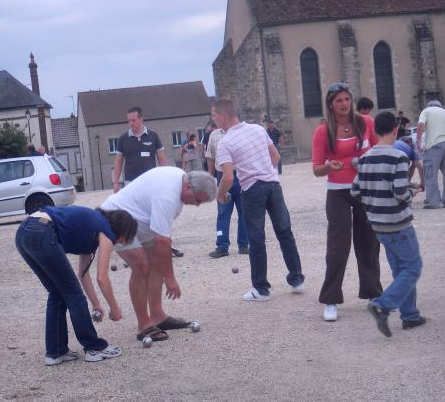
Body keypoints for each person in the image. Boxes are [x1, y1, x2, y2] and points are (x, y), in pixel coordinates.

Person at [101, 167, 216, 341]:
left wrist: (165, 270)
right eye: (197, 200)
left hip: (140, 224)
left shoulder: (180, 182)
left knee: (156, 265)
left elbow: (160, 243)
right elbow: (163, 241)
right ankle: (144, 325)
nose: (196, 205)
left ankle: (158, 316)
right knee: (141, 266)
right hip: (116, 219)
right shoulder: (167, 195)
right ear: (188, 188)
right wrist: (170, 278)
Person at [15, 205, 137, 365]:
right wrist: (115, 308)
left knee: (57, 293)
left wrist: (96, 304)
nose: (122, 243)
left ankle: (55, 352)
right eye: (126, 238)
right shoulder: (106, 231)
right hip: (42, 230)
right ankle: (94, 348)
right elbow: (102, 277)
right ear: (123, 231)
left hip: (24, 232)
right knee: (74, 294)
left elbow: (83, 273)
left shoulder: (92, 227)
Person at [213, 98, 305, 301]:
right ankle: (297, 278)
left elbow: (227, 177)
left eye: (214, 115)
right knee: (285, 232)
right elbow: (276, 157)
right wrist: (265, 172)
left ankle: (261, 289)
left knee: (256, 239)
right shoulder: (257, 129)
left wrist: (220, 195)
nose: (213, 119)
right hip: (273, 185)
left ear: (222, 115)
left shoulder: (225, 142)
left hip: (252, 190)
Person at [312, 82, 382, 322]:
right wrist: (329, 166)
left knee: (369, 243)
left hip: (364, 189)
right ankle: (331, 299)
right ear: (331, 104)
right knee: (337, 246)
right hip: (338, 192)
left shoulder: (366, 123)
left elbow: (378, 149)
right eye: (339, 100)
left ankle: (374, 293)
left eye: (347, 99)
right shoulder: (323, 131)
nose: (344, 104)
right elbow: (317, 169)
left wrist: (363, 161)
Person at [351, 111, 426, 337]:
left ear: (375, 131)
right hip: (399, 224)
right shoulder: (399, 158)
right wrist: (413, 192)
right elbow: (399, 192)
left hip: (378, 225)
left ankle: (410, 315)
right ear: (395, 130)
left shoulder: (364, 159)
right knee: (412, 267)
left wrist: (375, 198)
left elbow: (355, 190)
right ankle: (383, 304)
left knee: (399, 269)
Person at [112, 106, 183, 257]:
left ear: (141, 119)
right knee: (132, 218)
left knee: (159, 214)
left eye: (133, 120)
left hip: (152, 184)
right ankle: (137, 251)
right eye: (129, 120)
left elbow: (162, 158)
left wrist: (167, 180)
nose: (131, 123)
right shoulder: (123, 139)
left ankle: (164, 246)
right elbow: (118, 162)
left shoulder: (153, 136)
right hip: (131, 184)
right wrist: (116, 183)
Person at [205, 123, 248, 258]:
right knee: (223, 213)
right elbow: (210, 157)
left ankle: (244, 244)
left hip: (240, 175)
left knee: (244, 212)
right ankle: (222, 246)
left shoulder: (241, 132)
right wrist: (210, 178)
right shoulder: (214, 135)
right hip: (222, 176)